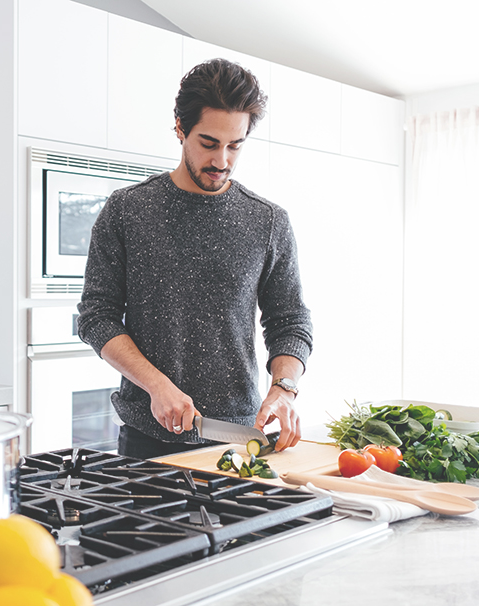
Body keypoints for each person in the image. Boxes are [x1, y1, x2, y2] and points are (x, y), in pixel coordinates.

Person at [77, 58, 313, 459]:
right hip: (147, 441)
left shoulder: (268, 221)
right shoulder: (127, 210)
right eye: (208, 143)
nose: (222, 160)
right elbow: (96, 317)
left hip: (239, 438)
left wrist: (284, 387)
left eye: (235, 145)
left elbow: (290, 320)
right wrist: (155, 385)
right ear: (180, 128)